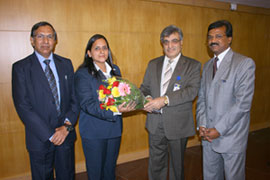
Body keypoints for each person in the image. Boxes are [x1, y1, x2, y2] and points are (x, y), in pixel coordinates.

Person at [12, 21, 79, 180]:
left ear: (55, 40)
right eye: (40, 36)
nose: (45, 41)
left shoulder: (66, 64)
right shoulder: (21, 68)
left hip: (65, 136)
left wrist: (66, 127)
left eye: (50, 37)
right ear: (32, 40)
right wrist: (50, 134)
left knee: (67, 175)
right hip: (39, 137)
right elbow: (23, 106)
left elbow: (74, 100)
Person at [196, 20, 256, 180]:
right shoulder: (208, 65)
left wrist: (219, 129)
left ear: (229, 39)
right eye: (209, 37)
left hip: (231, 137)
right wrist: (202, 124)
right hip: (208, 136)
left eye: (218, 36)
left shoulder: (244, 64)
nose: (212, 40)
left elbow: (242, 104)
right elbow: (202, 98)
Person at [140, 25, 201, 180]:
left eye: (174, 41)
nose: (170, 45)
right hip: (155, 122)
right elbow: (145, 87)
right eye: (166, 42)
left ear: (181, 43)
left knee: (177, 165)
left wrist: (165, 100)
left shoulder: (193, 65)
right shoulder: (153, 64)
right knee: (156, 164)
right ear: (162, 44)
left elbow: (192, 91)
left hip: (178, 124)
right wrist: (146, 98)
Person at [75, 34, 135, 180]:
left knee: (109, 171)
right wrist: (116, 110)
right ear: (89, 53)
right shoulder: (82, 74)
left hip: (114, 129)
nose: (102, 52)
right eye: (97, 48)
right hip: (93, 131)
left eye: (104, 48)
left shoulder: (115, 70)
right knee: (96, 173)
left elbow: (120, 95)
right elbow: (87, 104)